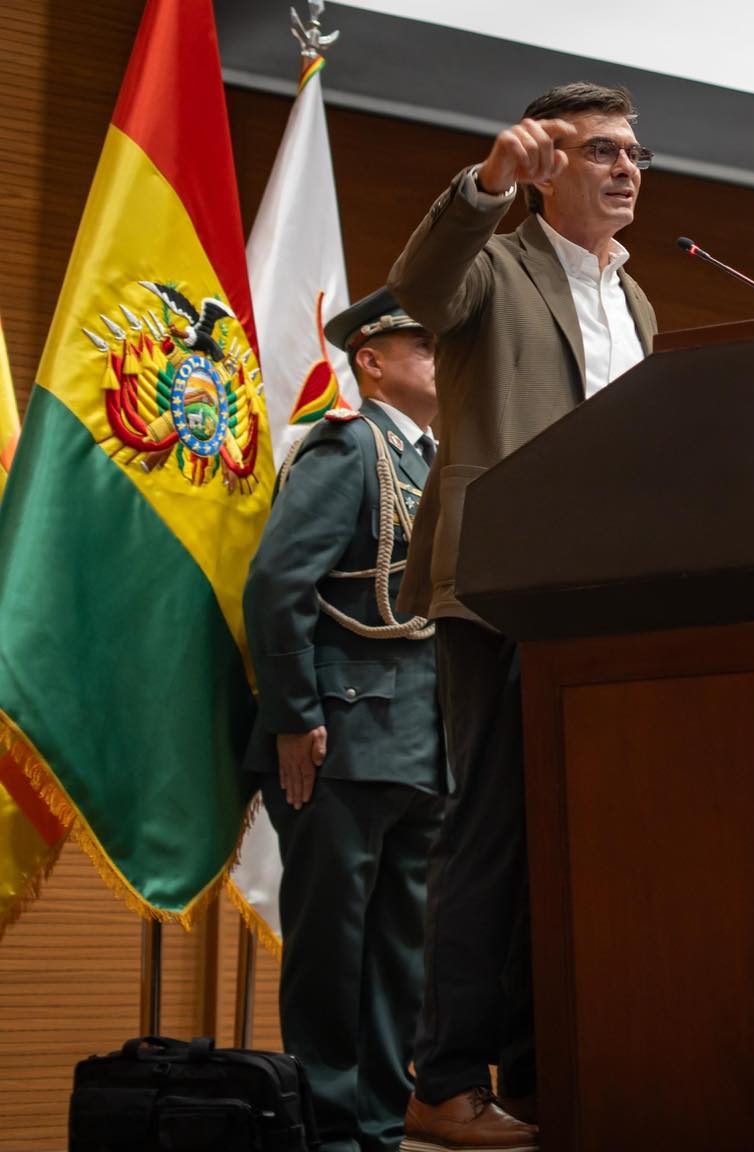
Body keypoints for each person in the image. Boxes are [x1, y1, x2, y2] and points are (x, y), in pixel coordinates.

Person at [388, 81, 658, 1152]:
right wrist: (485, 188)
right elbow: (418, 284)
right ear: (548, 167)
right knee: (491, 834)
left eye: (633, 153)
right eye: (600, 151)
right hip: (504, 588)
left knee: (573, 843)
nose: (626, 169)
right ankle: (443, 1079)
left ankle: (546, 1074)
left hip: (613, 606)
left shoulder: (636, 304)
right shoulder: (496, 266)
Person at [242, 289, 445, 1152]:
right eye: (424, 344)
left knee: (402, 954)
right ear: (372, 359)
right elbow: (279, 584)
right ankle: (324, 1131)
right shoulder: (347, 448)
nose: (442, 357)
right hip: (337, 738)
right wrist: (294, 716)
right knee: (331, 952)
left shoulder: (439, 463)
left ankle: (377, 1126)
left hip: (419, 741)